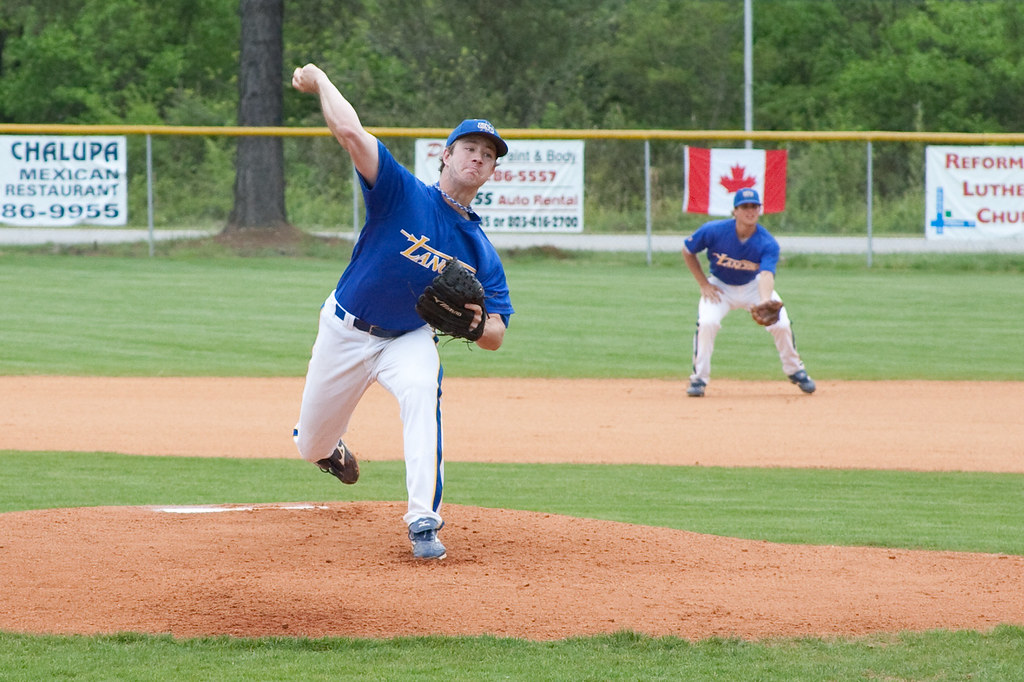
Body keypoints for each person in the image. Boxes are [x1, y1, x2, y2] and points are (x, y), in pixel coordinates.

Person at [290, 63, 514, 560]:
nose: (478, 158)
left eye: (488, 155)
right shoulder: (401, 192)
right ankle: (332, 450)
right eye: (470, 149)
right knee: (309, 445)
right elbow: (349, 131)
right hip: (345, 329)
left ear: (493, 171)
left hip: (408, 337)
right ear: (446, 156)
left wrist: (476, 325)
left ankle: (423, 523)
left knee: (421, 392)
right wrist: (322, 81)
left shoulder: (480, 249)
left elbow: (496, 332)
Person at [680, 188, 815, 397]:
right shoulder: (714, 230)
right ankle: (698, 379)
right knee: (708, 323)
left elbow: (767, 274)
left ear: (760, 210)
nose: (750, 211)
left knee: (782, 324)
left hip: (753, 286)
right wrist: (703, 284)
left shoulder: (767, 242)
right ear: (735, 211)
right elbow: (688, 250)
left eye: (754, 206)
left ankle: (795, 370)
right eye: (745, 207)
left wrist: (763, 301)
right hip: (720, 287)